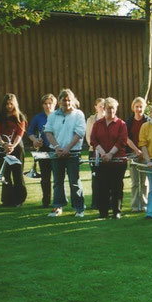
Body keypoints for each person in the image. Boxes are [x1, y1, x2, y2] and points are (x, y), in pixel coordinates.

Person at [44, 89, 86, 217]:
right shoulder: (52, 115)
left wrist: (67, 148)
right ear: (60, 100)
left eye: (69, 100)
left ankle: (79, 208)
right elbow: (48, 132)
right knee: (57, 181)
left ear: (72, 101)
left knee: (74, 181)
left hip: (72, 152)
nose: (67, 102)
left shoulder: (78, 114)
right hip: (56, 152)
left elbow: (79, 133)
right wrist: (57, 147)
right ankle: (58, 207)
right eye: (64, 100)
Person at [90, 97, 128, 219]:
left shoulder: (121, 124)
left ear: (116, 109)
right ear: (104, 109)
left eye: (113, 108)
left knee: (116, 187)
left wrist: (111, 154)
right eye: (108, 108)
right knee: (103, 187)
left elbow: (122, 141)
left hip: (117, 161)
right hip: (102, 161)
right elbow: (93, 140)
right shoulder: (97, 124)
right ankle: (103, 212)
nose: (110, 110)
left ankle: (116, 211)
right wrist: (103, 154)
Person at [0, 93, 28, 207]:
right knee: (5, 174)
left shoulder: (20, 117)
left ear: (15, 104)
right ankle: (7, 200)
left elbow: (20, 134)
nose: (9, 106)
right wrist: (3, 144)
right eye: (7, 104)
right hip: (3, 147)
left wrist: (12, 145)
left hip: (17, 147)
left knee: (17, 173)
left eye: (11, 104)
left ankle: (19, 200)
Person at [27, 94, 56, 207]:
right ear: (43, 105)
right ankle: (46, 200)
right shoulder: (38, 117)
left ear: (55, 104)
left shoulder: (59, 116)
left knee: (58, 177)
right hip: (43, 148)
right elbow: (30, 132)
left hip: (56, 148)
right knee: (45, 177)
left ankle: (58, 200)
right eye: (45, 103)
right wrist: (35, 140)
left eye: (50, 103)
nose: (48, 106)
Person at [125, 97, 149, 212]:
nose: (139, 109)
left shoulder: (148, 121)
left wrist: (143, 152)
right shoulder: (129, 122)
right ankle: (135, 206)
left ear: (144, 108)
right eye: (137, 106)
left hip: (146, 155)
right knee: (135, 182)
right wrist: (136, 150)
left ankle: (144, 205)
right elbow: (127, 138)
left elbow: (150, 138)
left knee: (144, 182)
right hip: (132, 154)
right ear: (133, 108)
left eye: (141, 107)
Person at [86, 98, 105, 209]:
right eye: (100, 106)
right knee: (95, 177)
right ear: (96, 107)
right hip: (93, 152)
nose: (102, 108)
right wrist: (96, 148)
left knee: (107, 177)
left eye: (104, 106)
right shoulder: (91, 120)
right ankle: (96, 203)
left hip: (107, 153)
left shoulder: (109, 119)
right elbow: (88, 136)